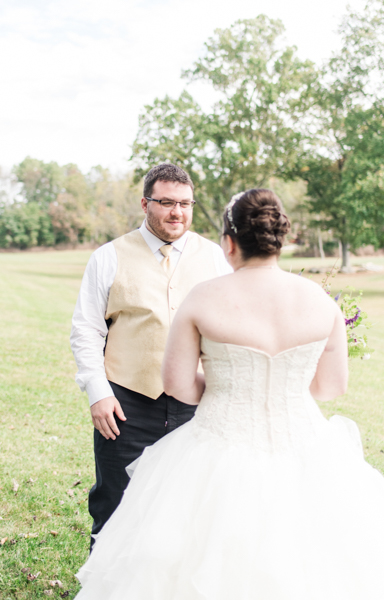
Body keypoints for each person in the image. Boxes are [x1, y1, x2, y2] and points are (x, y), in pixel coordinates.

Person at [75, 189, 384, 599]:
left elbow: (178, 385)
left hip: (220, 445)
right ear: (281, 241)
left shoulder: (204, 298)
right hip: (306, 445)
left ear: (229, 243)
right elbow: (331, 386)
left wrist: (228, 390)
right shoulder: (320, 301)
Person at [70, 163, 232, 546]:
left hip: (198, 402)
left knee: (193, 502)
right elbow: (86, 329)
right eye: (166, 203)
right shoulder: (108, 257)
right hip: (126, 403)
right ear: (145, 204)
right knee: (115, 501)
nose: (177, 212)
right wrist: (98, 392)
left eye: (185, 204)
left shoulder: (214, 258)